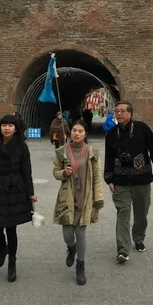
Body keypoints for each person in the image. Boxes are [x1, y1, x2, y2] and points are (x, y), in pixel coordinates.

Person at [104, 101, 153, 263]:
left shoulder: (141, 128)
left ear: (130, 114)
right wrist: (108, 178)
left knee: (141, 213)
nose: (119, 114)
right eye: (117, 111)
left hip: (141, 179)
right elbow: (108, 158)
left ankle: (138, 238)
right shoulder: (111, 134)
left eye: (122, 111)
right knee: (123, 213)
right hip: (120, 180)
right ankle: (123, 249)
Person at [0, 114, 37, 282]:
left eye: (10, 125)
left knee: (11, 228)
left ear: (16, 128)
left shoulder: (22, 147)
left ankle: (12, 261)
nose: (7, 128)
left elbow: (27, 171)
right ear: (0, 127)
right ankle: (2, 249)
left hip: (14, 189)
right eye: (4, 125)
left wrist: (30, 193)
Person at [53, 119, 104, 285]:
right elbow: (55, 172)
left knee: (81, 233)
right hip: (67, 196)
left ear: (85, 134)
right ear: (70, 132)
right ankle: (71, 247)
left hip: (85, 197)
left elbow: (96, 176)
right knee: (68, 234)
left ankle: (80, 266)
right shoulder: (62, 152)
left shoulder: (92, 152)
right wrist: (64, 173)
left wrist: (99, 197)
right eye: (74, 130)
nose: (76, 133)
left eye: (80, 131)